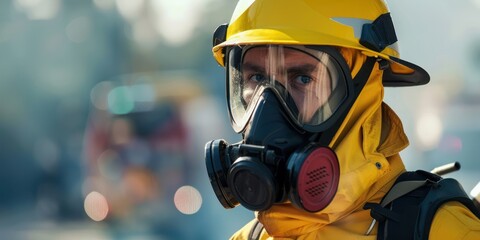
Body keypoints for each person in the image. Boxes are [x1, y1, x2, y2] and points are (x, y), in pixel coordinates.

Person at [204, 0, 480, 239]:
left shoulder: (443, 231)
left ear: (362, 92)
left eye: (302, 79)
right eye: (257, 78)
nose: (267, 108)